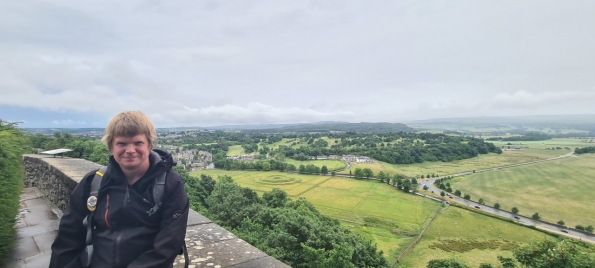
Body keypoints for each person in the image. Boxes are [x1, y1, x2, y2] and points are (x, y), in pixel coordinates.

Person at [49, 111, 189, 268]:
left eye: (138, 143)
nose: (130, 150)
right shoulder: (93, 182)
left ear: (150, 145)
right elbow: (69, 237)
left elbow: (169, 244)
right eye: (121, 143)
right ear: (111, 147)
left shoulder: (170, 183)